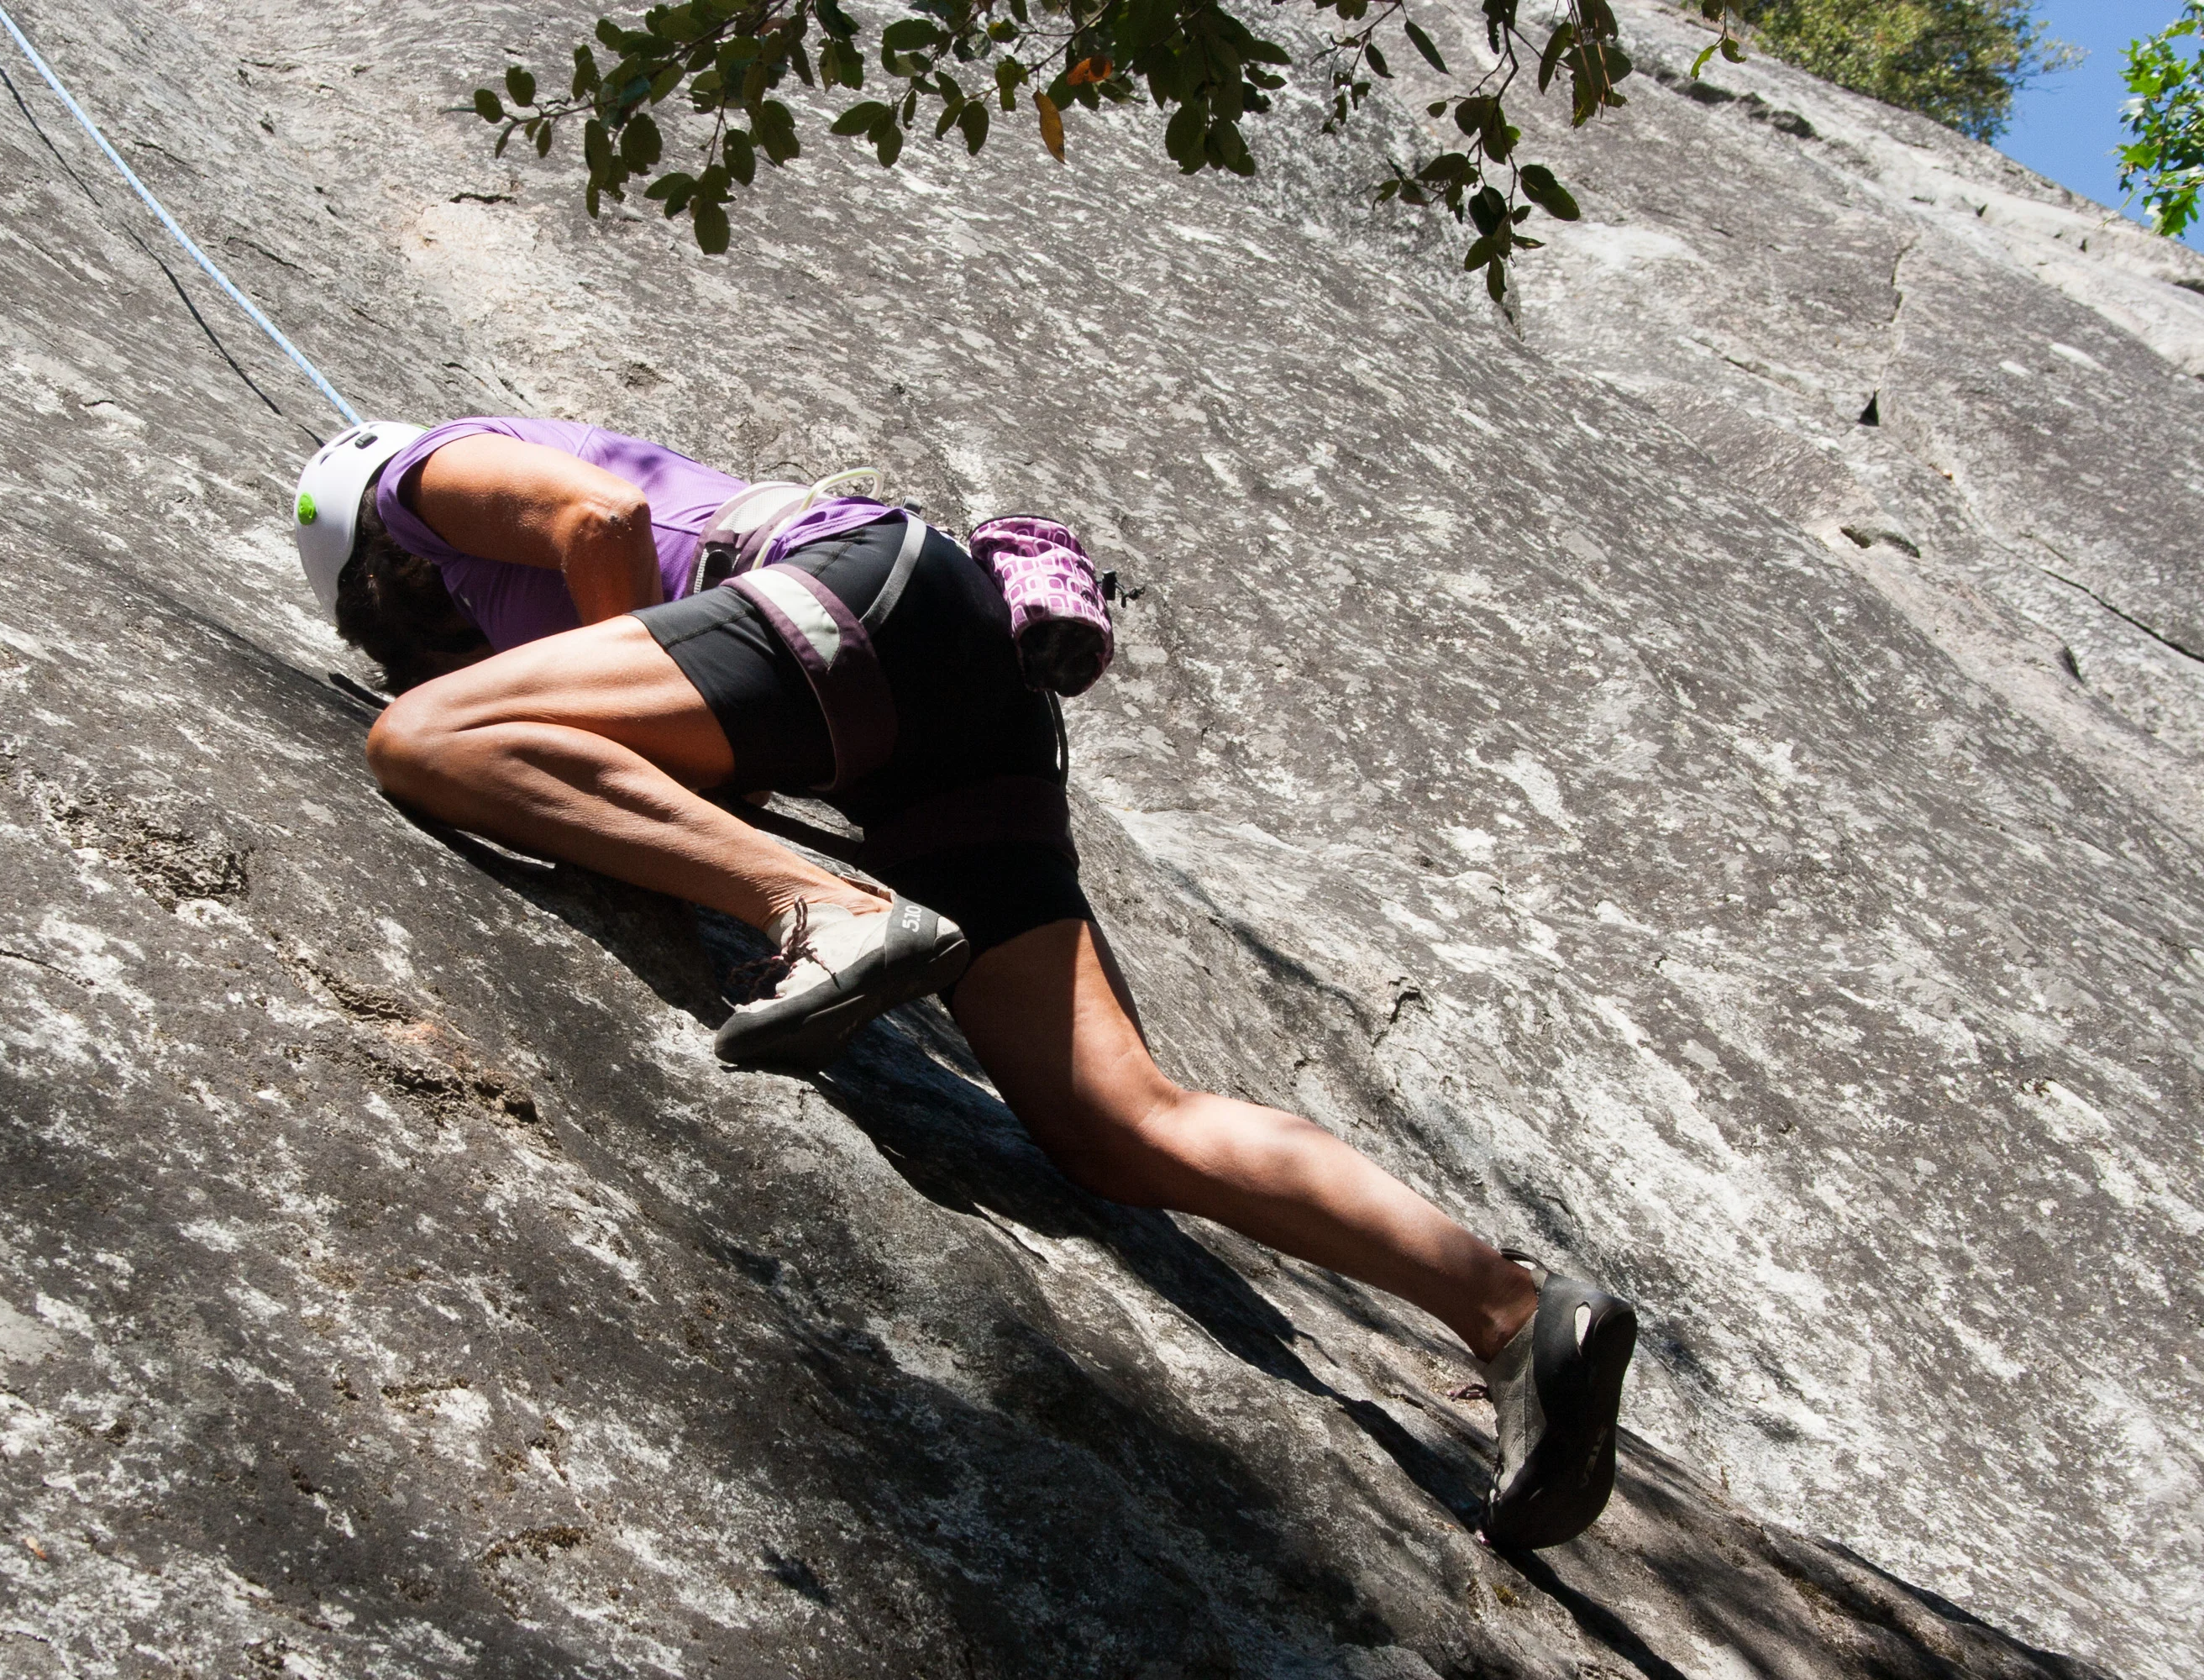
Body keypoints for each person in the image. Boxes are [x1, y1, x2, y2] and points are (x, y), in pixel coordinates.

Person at [291, 415, 1638, 1549]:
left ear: (371, 570)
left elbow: (599, 520)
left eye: (400, 630)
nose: (449, 652)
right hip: (946, 700)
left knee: (427, 738)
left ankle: (824, 909)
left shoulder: (411, 478)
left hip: (851, 602)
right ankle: (1512, 1315)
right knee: (1117, 1121)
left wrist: (681, 775)